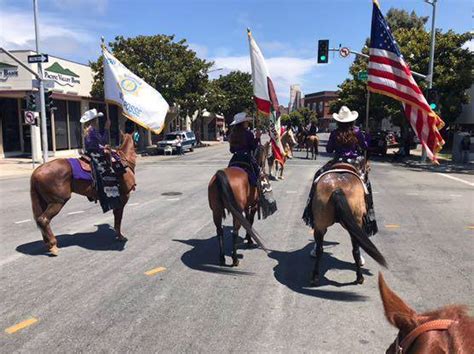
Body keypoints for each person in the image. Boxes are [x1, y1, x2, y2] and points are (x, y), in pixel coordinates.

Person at [303, 105, 378, 242]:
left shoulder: (335, 133)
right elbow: (365, 147)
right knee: (366, 184)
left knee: (317, 177)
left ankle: (310, 211)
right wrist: (366, 135)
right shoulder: (357, 131)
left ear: (339, 121)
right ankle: (369, 214)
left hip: (337, 161)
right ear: (351, 121)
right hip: (354, 162)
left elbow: (329, 149)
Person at [80, 108, 121, 213]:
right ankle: (106, 193)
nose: (98, 121)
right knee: (107, 170)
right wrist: (107, 128)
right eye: (97, 119)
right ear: (93, 120)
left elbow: (97, 143)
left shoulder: (88, 130)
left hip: (91, 152)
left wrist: (103, 146)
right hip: (95, 154)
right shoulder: (92, 130)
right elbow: (103, 140)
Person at [228, 112, 260, 186]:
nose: (247, 123)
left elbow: (232, 150)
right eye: (246, 121)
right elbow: (253, 147)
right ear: (242, 123)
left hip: (235, 159)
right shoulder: (249, 134)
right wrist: (257, 138)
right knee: (257, 171)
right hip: (246, 158)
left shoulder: (232, 135)